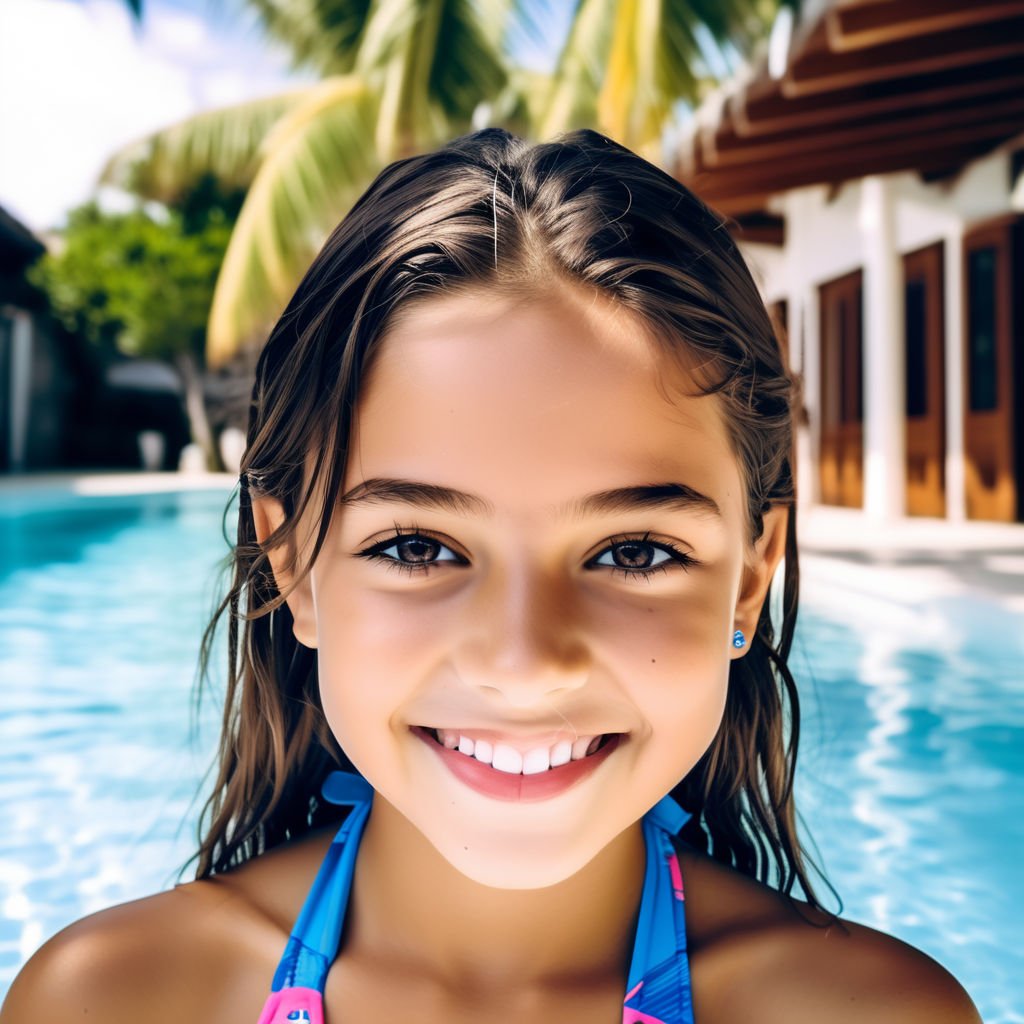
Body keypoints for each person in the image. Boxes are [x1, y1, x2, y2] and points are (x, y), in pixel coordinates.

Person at [1, 129, 980, 1024]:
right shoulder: (113, 1001)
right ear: (294, 563)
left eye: (634, 552)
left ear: (747, 577)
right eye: (416, 546)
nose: (523, 662)